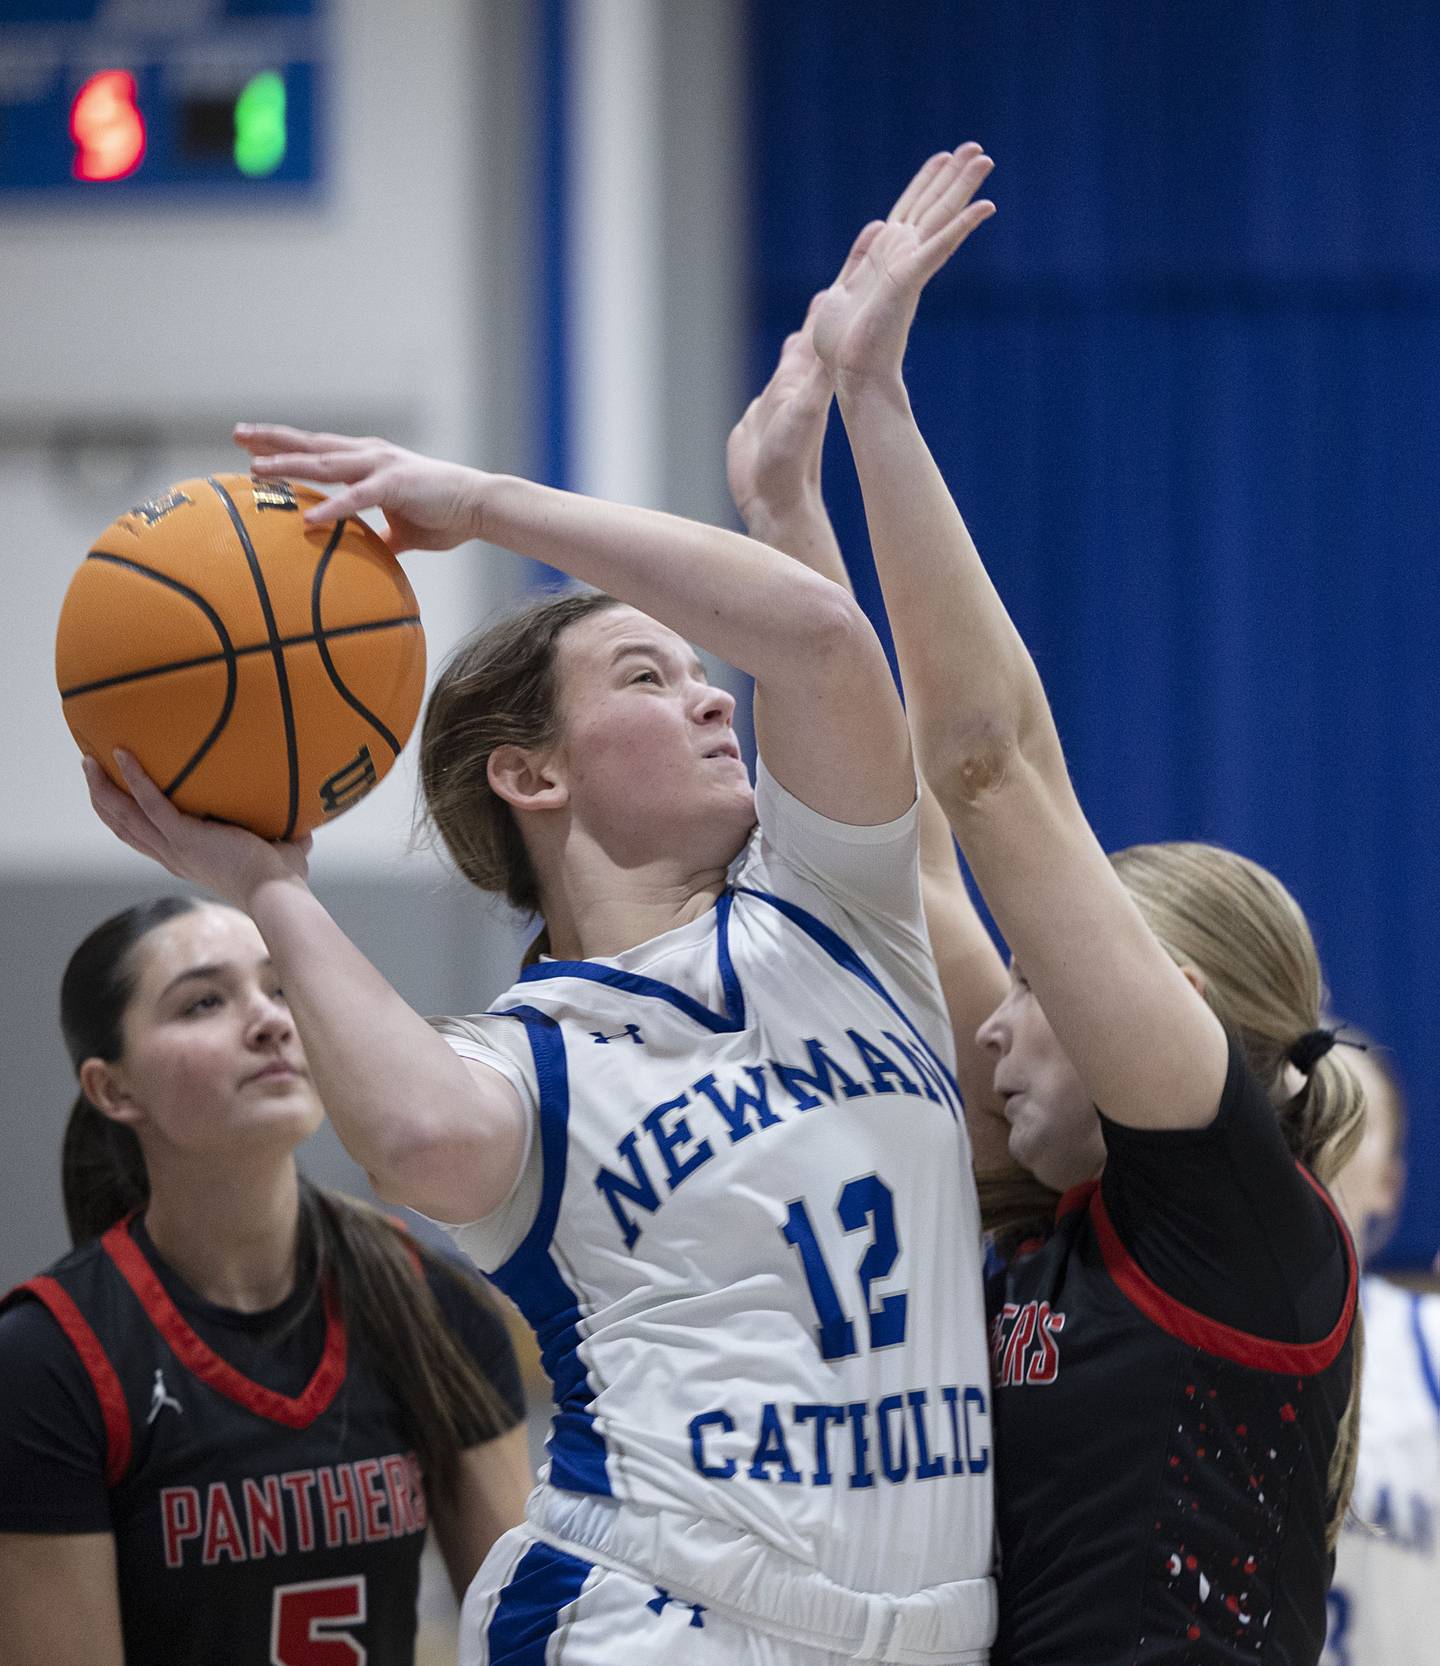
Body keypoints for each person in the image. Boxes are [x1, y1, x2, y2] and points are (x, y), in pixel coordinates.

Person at [76, 182, 1004, 1665]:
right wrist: (270, 887)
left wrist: (485, 502)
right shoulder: (531, 1053)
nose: (711, 699)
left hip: (936, 1630)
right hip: (665, 1619)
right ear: (532, 773)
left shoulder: (840, 917)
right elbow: (421, 1143)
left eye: (701, 672)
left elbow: (824, 644)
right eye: (646, 677)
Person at [795, 143, 1362, 1663]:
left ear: (1176, 1013)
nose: (995, 1022)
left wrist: (879, 404)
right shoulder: (1075, 1215)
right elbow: (914, 850)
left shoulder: (1232, 1212)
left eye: (1038, 982)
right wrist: (789, 508)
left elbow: (989, 773)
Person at [0, 895, 532, 1666]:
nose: (269, 1020)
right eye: (204, 1002)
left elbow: (520, 1634)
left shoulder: (434, 1305)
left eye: (280, 988)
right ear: (114, 1089)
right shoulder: (46, 1360)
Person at [1324, 1036, 1440, 1666]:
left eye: (1349, 1119)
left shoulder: (1427, 1342)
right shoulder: (1192, 1332)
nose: (1322, 1138)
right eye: (1302, 1113)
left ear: (1390, 1185)